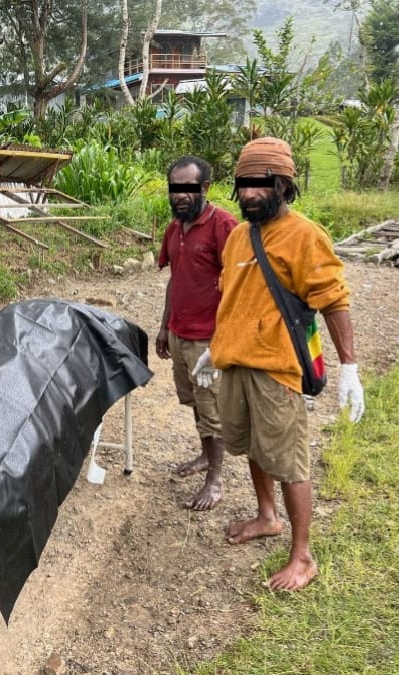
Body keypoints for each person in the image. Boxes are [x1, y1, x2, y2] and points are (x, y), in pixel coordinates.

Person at [193, 137, 365, 591]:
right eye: (242, 185)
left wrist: (350, 366)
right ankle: (266, 517)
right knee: (253, 447)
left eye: (259, 185)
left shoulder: (305, 235)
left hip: (277, 370)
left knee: (289, 461)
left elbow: (333, 300)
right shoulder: (236, 237)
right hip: (236, 367)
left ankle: (302, 557)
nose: (248, 194)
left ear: (284, 185)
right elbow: (235, 300)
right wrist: (218, 347)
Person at [156, 156, 238, 510]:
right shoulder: (175, 229)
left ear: (205, 188)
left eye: (189, 189)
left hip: (209, 339)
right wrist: (164, 326)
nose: (181, 196)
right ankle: (205, 456)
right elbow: (176, 279)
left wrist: (225, 339)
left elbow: (239, 285)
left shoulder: (224, 226)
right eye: (175, 189)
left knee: (212, 410)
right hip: (179, 333)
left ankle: (215, 480)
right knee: (193, 400)